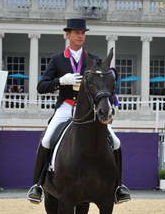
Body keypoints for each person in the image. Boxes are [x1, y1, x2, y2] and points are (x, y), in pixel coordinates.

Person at [26, 18, 131, 204]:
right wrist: (60, 81)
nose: (80, 36)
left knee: (115, 142)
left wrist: (113, 74)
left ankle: (118, 187)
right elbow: (41, 86)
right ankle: (38, 185)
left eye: (83, 33)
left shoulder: (93, 59)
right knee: (47, 139)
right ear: (68, 35)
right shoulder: (58, 60)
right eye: (76, 33)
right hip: (66, 106)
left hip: (89, 111)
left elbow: (106, 78)